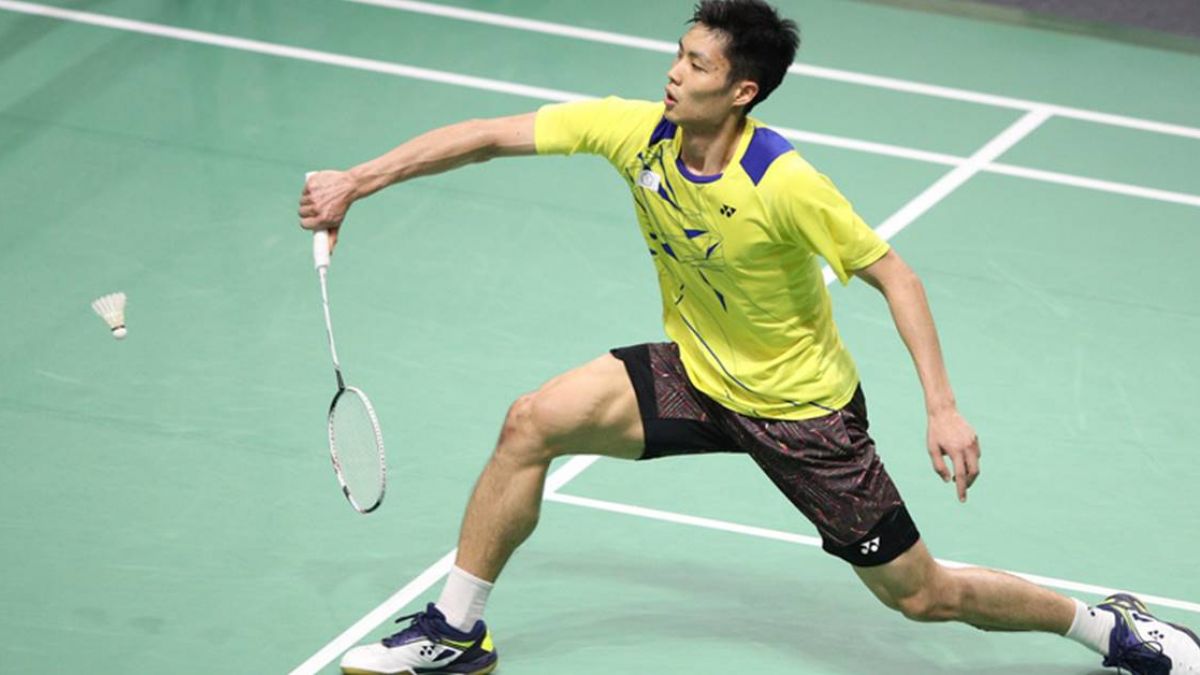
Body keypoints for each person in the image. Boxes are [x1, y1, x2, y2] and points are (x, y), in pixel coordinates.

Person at [299, 2, 1200, 673]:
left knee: (924, 594)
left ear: (742, 90)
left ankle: (1106, 625)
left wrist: (943, 407)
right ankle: (458, 630)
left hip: (803, 415)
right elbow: (491, 135)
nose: (673, 73)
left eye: (696, 64)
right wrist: (358, 181)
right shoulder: (637, 134)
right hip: (697, 374)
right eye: (677, 53)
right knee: (531, 420)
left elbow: (898, 276)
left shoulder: (783, 181)